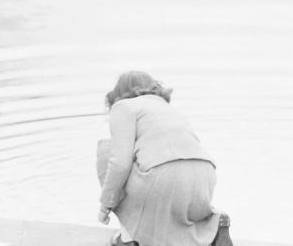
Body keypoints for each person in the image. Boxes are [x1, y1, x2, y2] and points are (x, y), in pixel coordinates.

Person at [96, 71, 233, 246]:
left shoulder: (123, 106)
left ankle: (129, 238)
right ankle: (213, 223)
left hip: (164, 177)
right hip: (205, 177)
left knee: (107, 151)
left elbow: (120, 164)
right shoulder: (168, 109)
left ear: (117, 94)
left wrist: (105, 204)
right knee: (175, 206)